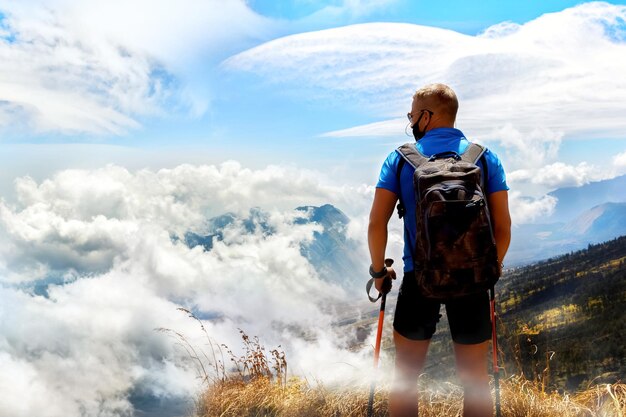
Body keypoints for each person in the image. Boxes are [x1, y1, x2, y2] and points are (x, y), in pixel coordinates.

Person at [367, 83, 511, 417]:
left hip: (420, 279)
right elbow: (503, 226)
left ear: (426, 116)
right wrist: (493, 266)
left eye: (412, 114)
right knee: (475, 378)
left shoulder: (400, 159)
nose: (411, 121)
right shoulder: (484, 157)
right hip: (474, 280)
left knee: (405, 376)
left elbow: (377, 223)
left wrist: (379, 272)